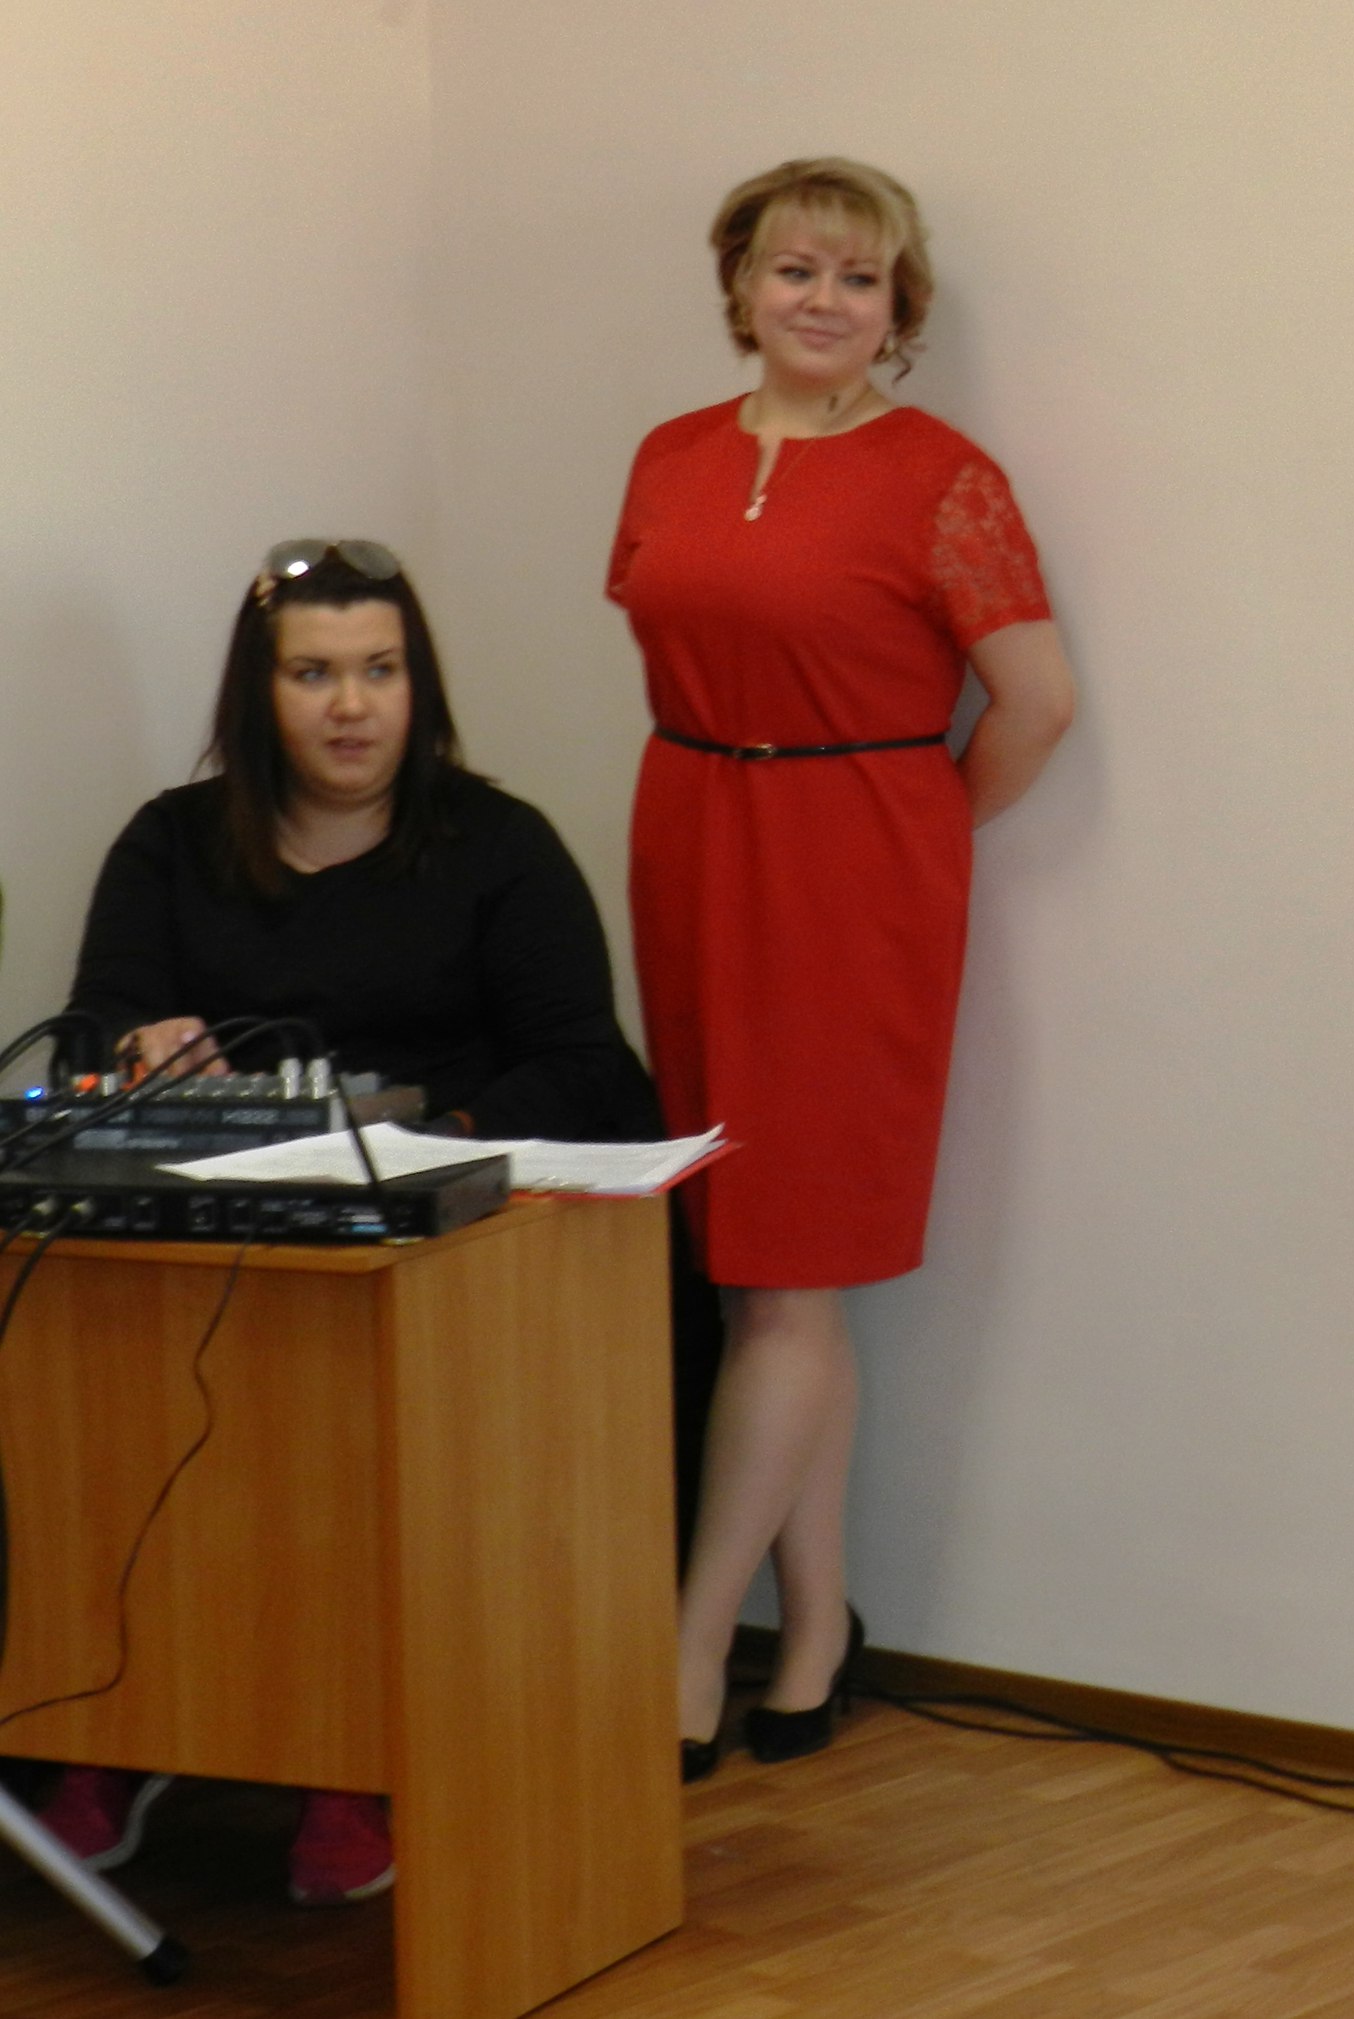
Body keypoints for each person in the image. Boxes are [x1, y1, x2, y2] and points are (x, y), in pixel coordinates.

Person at [41, 538, 679, 1907]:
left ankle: (351, 1763)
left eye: (380, 671)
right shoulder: (171, 843)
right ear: (259, 692)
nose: (351, 707)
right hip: (219, 1244)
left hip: (434, 1249)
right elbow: (92, 1029)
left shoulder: (498, 847)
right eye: (315, 674)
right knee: (92, 1404)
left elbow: (586, 1065)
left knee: (338, 1443)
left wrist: (436, 1136)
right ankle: (115, 1725)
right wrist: (142, 1046)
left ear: (418, 685)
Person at [610, 158, 1075, 1780]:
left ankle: (690, 1649)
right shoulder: (669, 455)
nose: (823, 300)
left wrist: (912, 835)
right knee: (762, 1271)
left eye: (858, 278)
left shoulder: (944, 478)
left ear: (899, 310)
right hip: (690, 832)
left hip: (851, 866)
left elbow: (1038, 700)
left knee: (790, 1269)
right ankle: (817, 1628)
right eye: (795, 269)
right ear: (741, 287)